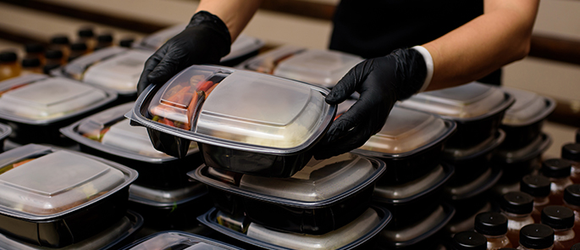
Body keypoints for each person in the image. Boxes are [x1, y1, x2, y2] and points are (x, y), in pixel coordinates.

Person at [137, 0, 539, 159]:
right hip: (346, 69)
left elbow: (513, 23)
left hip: (455, 83)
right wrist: (212, 25)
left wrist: (409, 68)